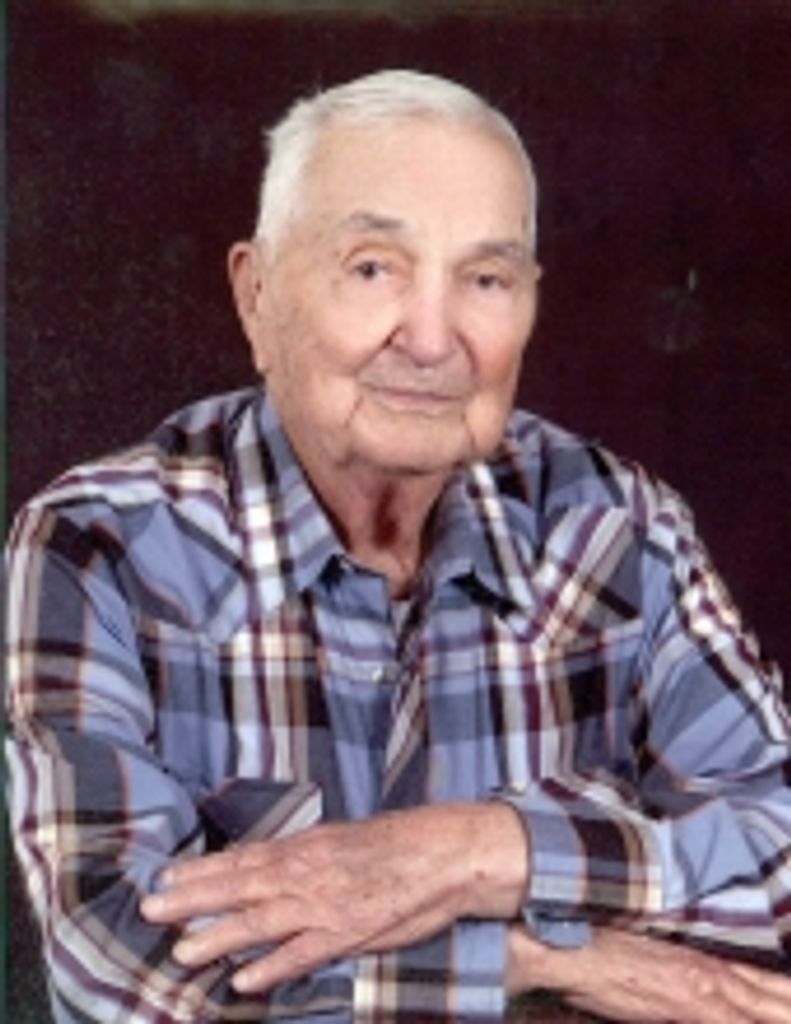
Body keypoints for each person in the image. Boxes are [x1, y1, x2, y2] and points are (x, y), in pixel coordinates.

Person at [5, 69, 791, 1024]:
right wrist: (532, 961)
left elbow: (779, 852)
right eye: (373, 268)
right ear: (256, 295)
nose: (429, 339)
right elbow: (117, 969)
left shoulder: (620, 531)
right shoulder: (100, 548)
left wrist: (479, 852)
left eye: (485, 280)